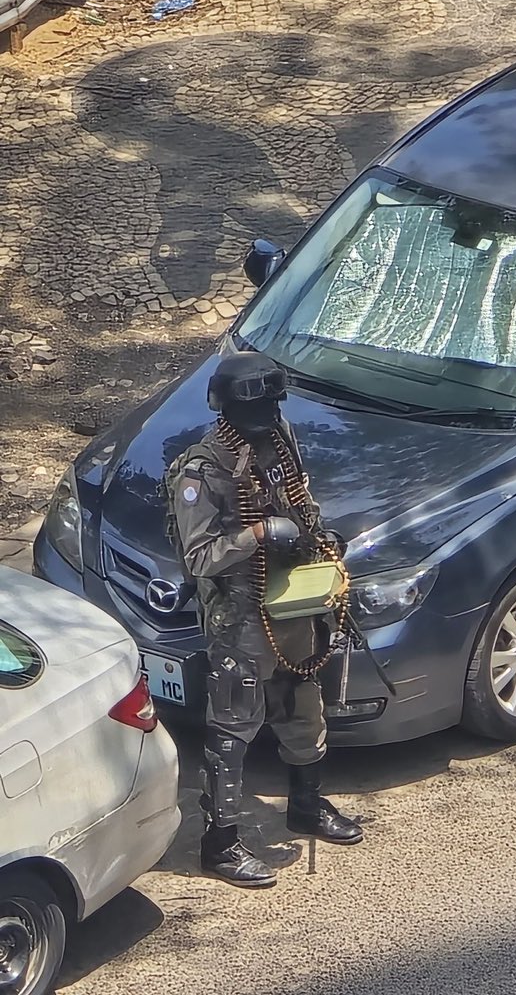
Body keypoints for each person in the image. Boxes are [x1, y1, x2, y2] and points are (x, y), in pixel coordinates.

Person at [164, 351, 363, 888]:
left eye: (274, 403)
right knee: (233, 729)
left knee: (303, 709)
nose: (269, 415)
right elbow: (199, 557)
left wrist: (321, 538)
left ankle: (306, 806)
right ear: (224, 407)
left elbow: (304, 501)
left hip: (292, 606)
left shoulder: (280, 440)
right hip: (239, 619)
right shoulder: (198, 473)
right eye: (258, 406)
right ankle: (220, 845)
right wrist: (255, 534)